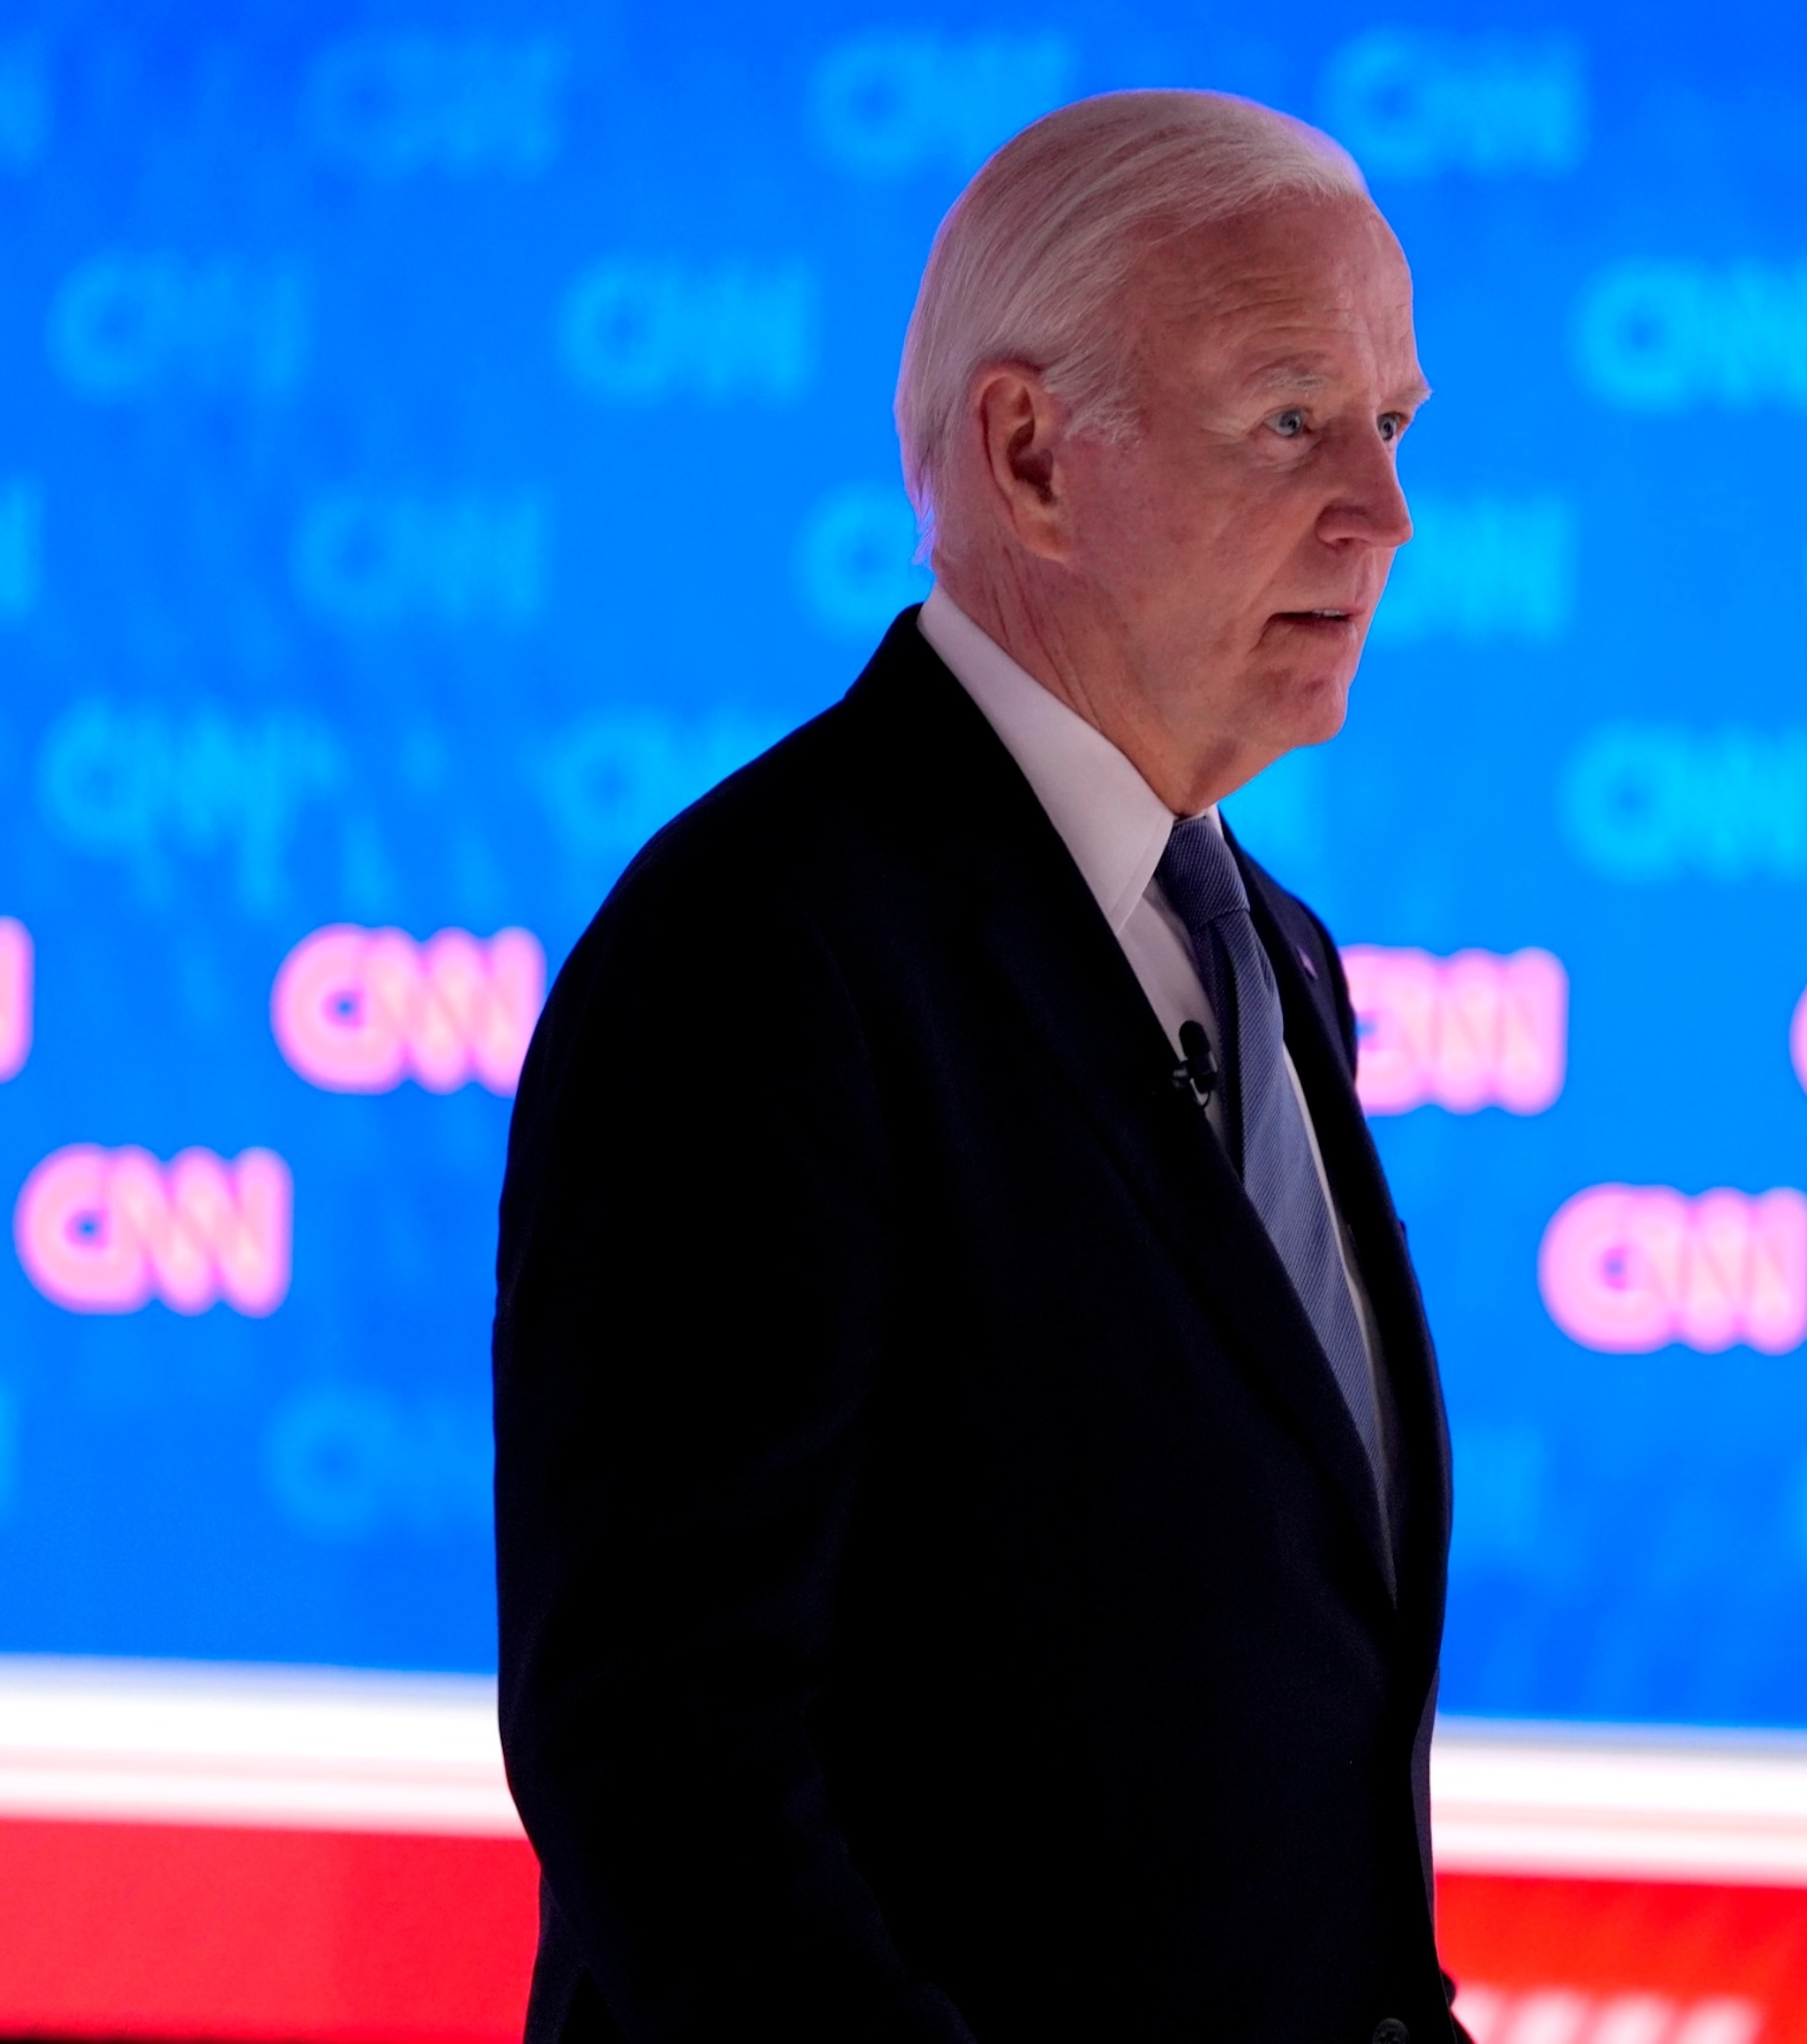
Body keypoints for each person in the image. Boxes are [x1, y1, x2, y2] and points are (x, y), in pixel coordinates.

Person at [493, 90, 1459, 2043]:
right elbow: (668, 1777)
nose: (1381, 509)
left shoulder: (1277, 956)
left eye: (1394, 424)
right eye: (1292, 421)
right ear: (1029, 453)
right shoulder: (761, 952)